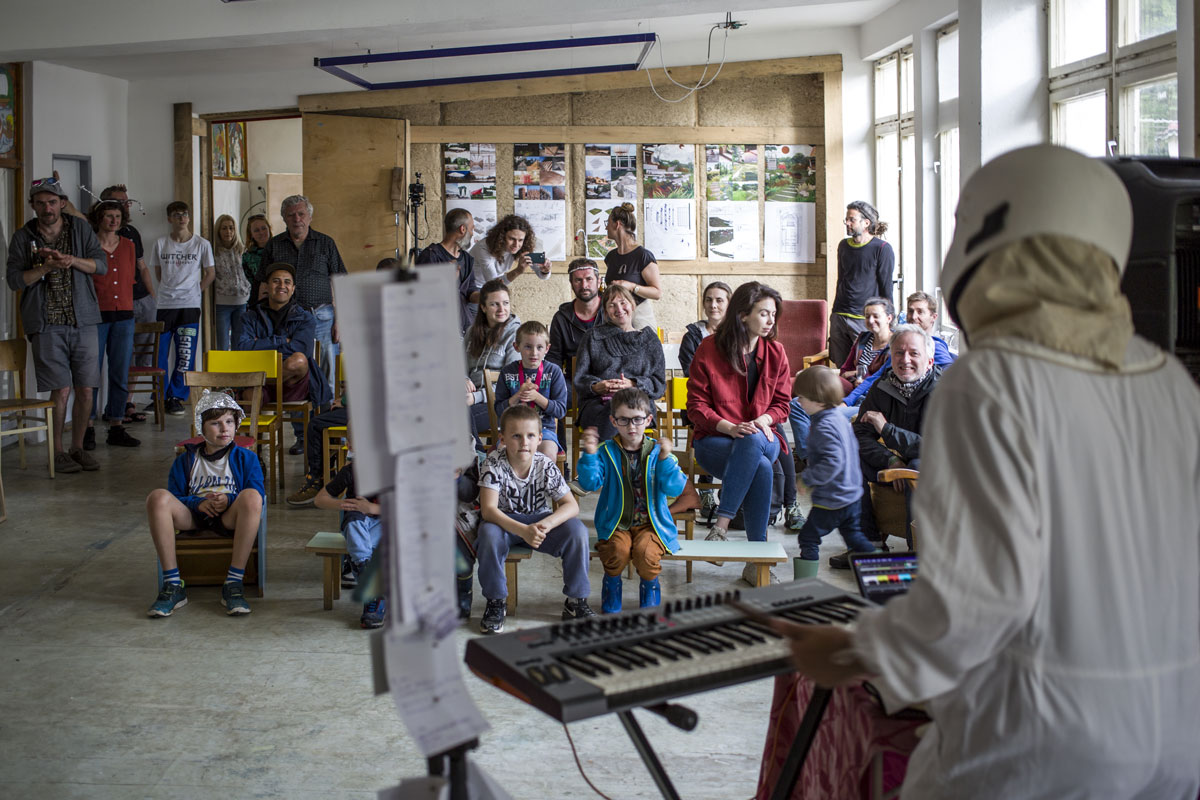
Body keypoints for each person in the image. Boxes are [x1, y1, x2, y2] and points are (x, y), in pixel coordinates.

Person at [773, 145, 1200, 799]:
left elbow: (973, 602)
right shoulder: (1169, 381)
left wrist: (858, 649)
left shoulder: (991, 382)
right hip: (1175, 738)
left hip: (1037, 746)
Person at [686, 281, 791, 585]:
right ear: (743, 315)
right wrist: (730, 427)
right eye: (764, 313)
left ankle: (720, 527)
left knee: (755, 440)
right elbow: (695, 406)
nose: (771, 321)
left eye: (774, 314)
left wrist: (763, 420)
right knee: (759, 468)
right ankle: (756, 561)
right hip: (716, 439)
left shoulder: (776, 352)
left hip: (765, 437)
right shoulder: (709, 348)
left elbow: (783, 404)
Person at [5, 176, 107, 474]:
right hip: (46, 324)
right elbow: (14, 280)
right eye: (40, 203)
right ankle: (58, 452)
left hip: (84, 320)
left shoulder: (80, 229)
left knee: (86, 389)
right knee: (60, 390)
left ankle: (78, 447)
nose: (47, 208)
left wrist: (70, 260)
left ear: (62, 203)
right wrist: (45, 267)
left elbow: (99, 265)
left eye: (52, 202)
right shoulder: (23, 237)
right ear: (33, 206)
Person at [475, 404, 595, 634]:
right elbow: (489, 511)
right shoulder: (493, 462)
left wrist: (547, 524)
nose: (524, 442)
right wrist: (523, 530)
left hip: (539, 521)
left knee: (576, 531)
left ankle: (575, 601)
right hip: (504, 523)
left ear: (540, 438)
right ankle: (495, 602)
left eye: (530, 436)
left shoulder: (545, 464)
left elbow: (570, 506)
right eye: (516, 436)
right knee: (488, 534)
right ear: (502, 438)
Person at [145, 390, 266, 617]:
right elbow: (176, 495)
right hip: (194, 515)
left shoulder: (246, 458)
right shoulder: (186, 459)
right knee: (157, 497)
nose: (224, 429)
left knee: (252, 497)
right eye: (215, 423)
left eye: (229, 421)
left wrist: (229, 499)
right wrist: (197, 503)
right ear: (201, 427)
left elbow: (258, 493)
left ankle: (233, 582)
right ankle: (173, 585)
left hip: (230, 516)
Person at [577, 387, 687, 613]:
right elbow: (590, 484)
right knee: (616, 552)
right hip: (616, 524)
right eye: (624, 420)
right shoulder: (605, 451)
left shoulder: (659, 452)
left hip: (652, 525)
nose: (631, 427)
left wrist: (666, 459)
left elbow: (675, 488)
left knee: (646, 555)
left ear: (648, 419)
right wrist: (588, 454)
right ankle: (611, 590)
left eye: (637, 420)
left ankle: (650, 595)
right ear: (613, 421)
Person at [788, 296, 896, 468]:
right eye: (867, 316)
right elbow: (845, 370)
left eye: (876, 316)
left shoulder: (896, 345)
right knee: (796, 405)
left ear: (889, 318)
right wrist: (855, 378)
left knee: (825, 416)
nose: (871, 320)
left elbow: (884, 380)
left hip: (868, 402)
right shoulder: (863, 339)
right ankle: (809, 459)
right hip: (847, 393)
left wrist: (863, 381)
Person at [789, 366, 874, 577]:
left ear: (818, 400)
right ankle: (878, 564)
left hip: (833, 500)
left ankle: (805, 586)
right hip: (852, 496)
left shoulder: (824, 426)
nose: (798, 402)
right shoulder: (839, 419)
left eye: (802, 398)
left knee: (808, 538)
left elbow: (832, 462)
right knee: (854, 536)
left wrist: (807, 479)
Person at [256, 195, 347, 387]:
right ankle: (300, 415)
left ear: (309, 217)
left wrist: (340, 320)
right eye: (291, 215)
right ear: (284, 219)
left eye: (301, 214)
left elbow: (341, 281)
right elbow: (263, 284)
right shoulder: (274, 245)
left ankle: (325, 413)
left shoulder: (325, 243)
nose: (297, 219)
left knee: (327, 371)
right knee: (295, 370)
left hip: (322, 317)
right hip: (287, 319)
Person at [574, 284, 665, 442]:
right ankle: (617, 462)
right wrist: (597, 386)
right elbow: (580, 379)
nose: (619, 308)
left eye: (623, 303)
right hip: (598, 403)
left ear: (633, 305)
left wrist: (632, 384)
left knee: (626, 412)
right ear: (606, 311)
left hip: (638, 403)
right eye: (612, 305)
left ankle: (606, 461)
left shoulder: (650, 340)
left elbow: (659, 385)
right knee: (613, 412)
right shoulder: (592, 336)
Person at [148, 200, 214, 416]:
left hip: (190, 306)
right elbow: (158, 273)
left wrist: (196, 291)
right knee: (159, 353)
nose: (182, 218)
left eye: (185, 214)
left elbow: (210, 273)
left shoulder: (202, 244)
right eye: (177, 214)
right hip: (165, 305)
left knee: (185, 354)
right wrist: (169, 289)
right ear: (169, 219)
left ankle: (176, 397)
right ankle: (159, 396)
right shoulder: (160, 243)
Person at [237, 263, 333, 412]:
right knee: (249, 396)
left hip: (294, 384)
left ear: (293, 289)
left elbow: (302, 350)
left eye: (287, 282)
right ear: (266, 287)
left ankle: (301, 434)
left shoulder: (305, 318)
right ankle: (253, 436)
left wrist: (260, 346)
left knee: (298, 361)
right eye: (276, 281)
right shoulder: (249, 317)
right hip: (261, 383)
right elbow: (243, 348)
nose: (282, 285)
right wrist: (282, 340)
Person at [85, 200, 140, 448]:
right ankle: (86, 426)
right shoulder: (89, 245)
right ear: (99, 218)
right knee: (91, 374)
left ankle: (116, 425)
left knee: (119, 373)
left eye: (117, 216)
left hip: (124, 317)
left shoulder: (128, 245)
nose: (113, 221)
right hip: (96, 316)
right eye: (108, 216)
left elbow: (132, 277)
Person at [99, 185, 156, 415]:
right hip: (115, 304)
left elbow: (141, 267)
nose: (125, 206)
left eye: (126, 202)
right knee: (121, 356)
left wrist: (153, 297)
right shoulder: (95, 235)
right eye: (118, 202)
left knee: (140, 355)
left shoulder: (131, 232)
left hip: (142, 300)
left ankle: (127, 403)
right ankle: (112, 410)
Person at [845, 289, 957, 405]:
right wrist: (847, 401)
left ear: (933, 317)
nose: (913, 317)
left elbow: (952, 374)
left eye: (920, 312)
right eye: (910, 311)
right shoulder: (903, 346)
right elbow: (875, 377)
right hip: (877, 400)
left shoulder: (934, 346)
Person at [314, 460, 385, 629]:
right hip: (360, 530)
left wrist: (371, 507)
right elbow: (319, 499)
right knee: (353, 521)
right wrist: (346, 505)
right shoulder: (351, 470)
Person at [829, 201, 893, 366]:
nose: (848, 224)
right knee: (841, 366)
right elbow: (841, 279)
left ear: (866, 223)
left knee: (864, 367)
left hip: (863, 318)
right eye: (846, 220)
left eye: (852, 220)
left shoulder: (882, 248)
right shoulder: (843, 246)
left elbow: (886, 286)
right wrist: (835, 312)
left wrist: (889, 319)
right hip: (840, 315)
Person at [493, 320, 567, 459]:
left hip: (543, 430)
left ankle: (541, 482)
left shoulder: (554, 371)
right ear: (516, 347)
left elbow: (561, 411)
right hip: (513, 429)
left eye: (539, 347)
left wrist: (536, 397)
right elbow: (498, 410)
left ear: (547, 348)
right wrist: (518, 395)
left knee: (548, 453)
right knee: (502, 452)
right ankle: (511, 481)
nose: (534, 353)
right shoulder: (507, 372)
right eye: (528, 346)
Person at [464, 279, 521, 437]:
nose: (502, 309)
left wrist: (475, 397)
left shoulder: (516, 334)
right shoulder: (472, 332)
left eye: (506, 303)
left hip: (499, 403)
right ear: (483, 307)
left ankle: (478, 458)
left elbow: (511, 383)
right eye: (494, 304)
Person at [416, 208, 476, 333]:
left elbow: (471, 291)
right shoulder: (430, 256)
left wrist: (486, 296)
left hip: (465, 328)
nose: (472, 233)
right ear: (462, 229)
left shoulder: (467, 259)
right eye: (472, 229)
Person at [603, 202, 662, 330]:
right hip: (615, 318)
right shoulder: (611, 257)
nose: (606, 228)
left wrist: (630, 286)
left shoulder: (643, 256)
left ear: (617, 224)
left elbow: (657, 293)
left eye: (608, 223)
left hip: (640, 317)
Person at [548, 258, 604, 379]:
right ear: (571, 284)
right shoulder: (561, 318)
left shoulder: (612, 312)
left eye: (589, 279)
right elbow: (554, 357)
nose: (584, 285)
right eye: (578, 280)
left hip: (609, 379)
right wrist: (557, 385)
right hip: (574, 382)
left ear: (598, 281)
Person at [468, 214, 551, 289]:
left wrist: (545, 270)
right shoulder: (483, 248)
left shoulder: (522, 246)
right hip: (472, 287)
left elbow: (542, 275)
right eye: (512, 239)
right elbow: (493, 284)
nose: (516, 244)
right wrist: (518, 271)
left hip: (495, 286)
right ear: (501, 236)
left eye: (520, 240)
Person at [678, 280, 732, 377]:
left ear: (729, 305)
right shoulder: (691, 337)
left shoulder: (739, 335)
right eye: (708, 300)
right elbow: (690, 372)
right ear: (703, 304)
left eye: (719, 300)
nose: (713, 305)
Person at [212, 214, 250, 351]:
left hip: (242, 302)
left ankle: (237, 372)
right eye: (224, 228)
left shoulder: (242, 250)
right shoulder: (213, 252)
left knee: (239, 341)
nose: (228, 232)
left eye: (231, 228)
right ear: (218, 231)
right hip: (222, 303)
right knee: (222, 343)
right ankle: (223, 372)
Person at [241, 213, 272, 302]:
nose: (261, 232)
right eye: (256, 230)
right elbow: (251, 281)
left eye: (263, 228)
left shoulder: (279, 250)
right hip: (258, 297)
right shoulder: (247, 257)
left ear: (269, 229)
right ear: (251, 234)